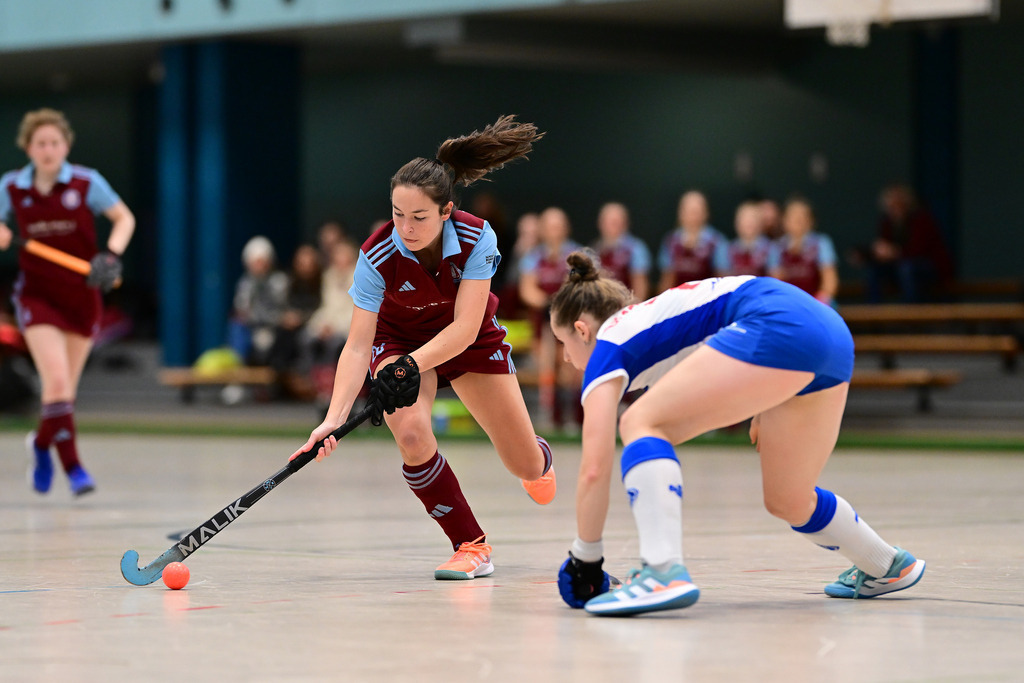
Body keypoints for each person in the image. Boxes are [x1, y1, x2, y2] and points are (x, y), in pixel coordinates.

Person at [549, 252, 926, 616]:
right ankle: (885, 564)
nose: (565, 357)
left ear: (582, 329)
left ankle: (661, 570)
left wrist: (586, 556)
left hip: (777, 326)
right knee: (788, 498)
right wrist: (763, 399)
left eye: (562, 342)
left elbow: (594, 469)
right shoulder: (652, 329)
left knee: (638, 423)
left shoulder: (609, 344)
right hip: (827, 331)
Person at [290, 115, 556, 580]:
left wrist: (411, 366)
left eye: (418, 217)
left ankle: (538, 456)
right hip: (399, 338)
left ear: (446, 211)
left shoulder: (478, 237)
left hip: (465, 338)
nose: (405, 228)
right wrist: (332, 418)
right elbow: (356, 346)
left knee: (524, 464)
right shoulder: (376, 254)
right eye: (397, 214)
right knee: (410, 430)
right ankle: (470, 545)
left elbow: (466, 327)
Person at [0, 108, 135, 496]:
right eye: (40, 143)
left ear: (66, 146)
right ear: (27, 147)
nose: (48, 150)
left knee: (62, 394)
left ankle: (41, 445)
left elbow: (124, 218)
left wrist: (110, 254)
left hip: (81, 296)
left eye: (55, 143)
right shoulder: (12, 187)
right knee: (56, 381)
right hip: (37, 297)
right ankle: (74, 468)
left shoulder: (85, 181)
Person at [518, 206, 584, 432]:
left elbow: (579, 286)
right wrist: (546, 302)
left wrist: (562, 302)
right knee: (547, 368)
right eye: (550, 226)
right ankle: (550, 418)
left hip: (570, 323)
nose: (554, 231)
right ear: (543, 230)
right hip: (544, 323)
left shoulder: (576, 256)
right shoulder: (533, 258)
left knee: (571, 370)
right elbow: (527, 289)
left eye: (558, 226)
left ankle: (575, 417)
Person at [865, 183, 953, 303]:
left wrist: (894, 252)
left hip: (926, 268)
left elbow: (918, 251)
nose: (894, 208)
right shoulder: (887, 222)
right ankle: (873, 313)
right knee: (875, 270)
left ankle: (910, 314)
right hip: (899, 268)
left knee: (907, 269)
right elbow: (884, 248)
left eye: (898, 203)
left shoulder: (921, 219)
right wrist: (870, 254)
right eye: (891, 205)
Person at [228, 236, 289, 366]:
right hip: (253, 328)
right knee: (236, 328)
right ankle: (238, 375)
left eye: (262, 262)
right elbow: (242, 310)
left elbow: (282, 310)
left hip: (275, 328)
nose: (259, 266)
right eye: (255, 262)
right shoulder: (245, 283)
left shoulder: (279, 281)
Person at [768, 197, 839, 306]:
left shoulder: (821, 243)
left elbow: (830, 282)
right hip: (787, 304)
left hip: (817, 303)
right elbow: (775, 283)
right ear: (784, 221)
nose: (798, 220)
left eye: (803, 215)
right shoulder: (777, 247)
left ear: (811, 221)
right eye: (793, 216)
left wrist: (818, 302)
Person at [657, 190, 728, 292]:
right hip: (678, 302)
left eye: (696, 211)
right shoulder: (671, 241)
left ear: (706, 213)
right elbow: (667, 279)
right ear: (680, 213)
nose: (692, 216)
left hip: (707, 301)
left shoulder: (717, 241)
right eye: (688, 211)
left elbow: (723, 279)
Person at [592, 202, 651, 301]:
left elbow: (640, 286)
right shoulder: (595, 250)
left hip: (627, 308)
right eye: (609, 222)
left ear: (625, 223)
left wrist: (635, 309)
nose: (612, 226)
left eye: (616, 222)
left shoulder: (635, 248)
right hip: (600, 309)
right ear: (600, 224)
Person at [724, 200, 771, 276]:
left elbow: (776, 277)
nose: (749, 222)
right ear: (736, 223)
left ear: (761, 223)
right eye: (744, 219)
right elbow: (723, 279)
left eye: (753, 218)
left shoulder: (771, 248)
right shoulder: (727, 249)